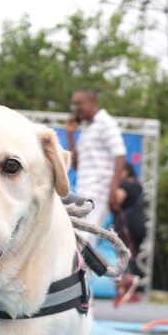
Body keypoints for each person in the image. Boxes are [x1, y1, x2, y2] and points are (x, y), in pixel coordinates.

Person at [65, 87, 127, 243]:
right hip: (84, 191)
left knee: (82, 241)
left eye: (78, 103)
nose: (75, 109)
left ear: (92, 101)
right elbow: (78, 165)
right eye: (73, 105)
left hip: (98, 192)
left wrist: (113, 189)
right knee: (79, 240)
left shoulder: (106, 122)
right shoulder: (88, 129)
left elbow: (119, 155)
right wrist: (70, 134)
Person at [112, 162, 147, 305]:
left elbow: (118, 199)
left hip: (127, 226)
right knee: (133, 255)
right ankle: (135, 290)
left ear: (125, 171)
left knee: (125, 255)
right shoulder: (137, 185)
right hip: (139, 225)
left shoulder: (125, 185)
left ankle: (129, 285)